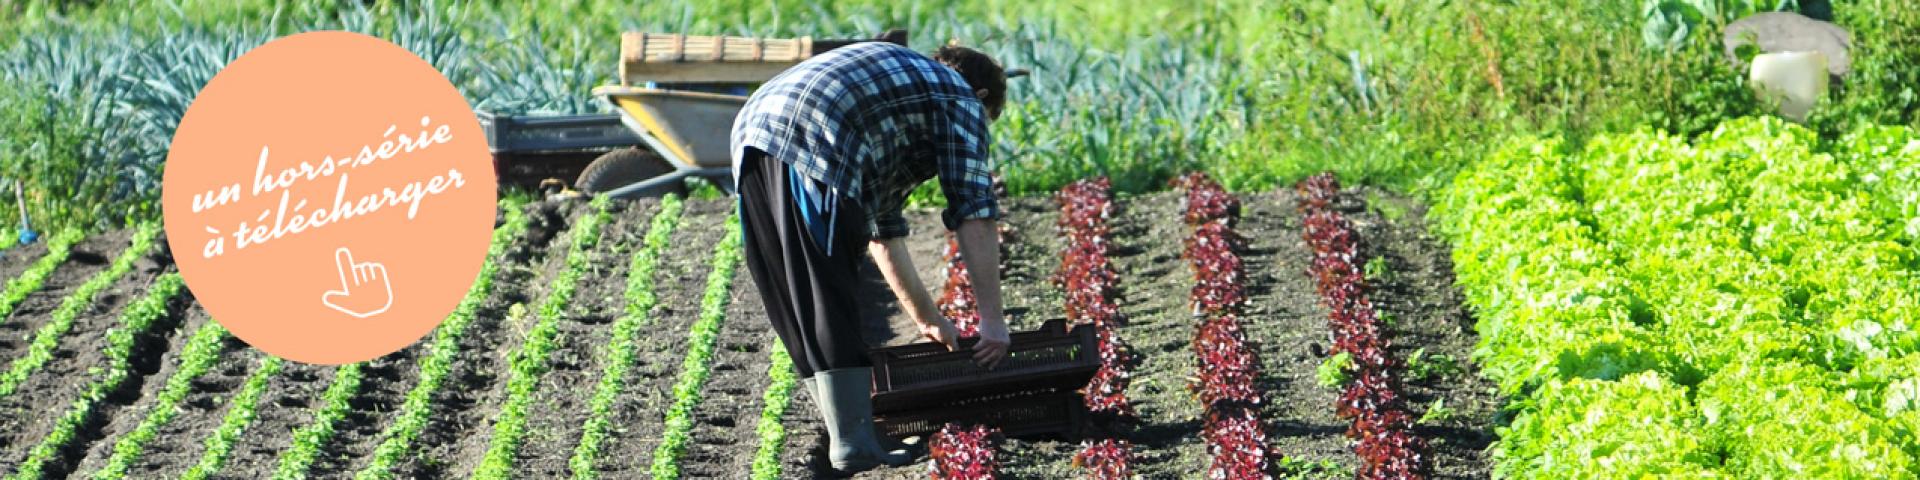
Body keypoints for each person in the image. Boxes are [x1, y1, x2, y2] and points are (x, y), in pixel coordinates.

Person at [730, 41, 1014, 475]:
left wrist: (928, 320)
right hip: (814, 127)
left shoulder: (897, 97)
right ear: (982, 100)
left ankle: (847, 432)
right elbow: (974, 211)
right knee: (828, 289)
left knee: (796, 294)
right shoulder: (959, 96)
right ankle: (854, 445)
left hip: (753, 128)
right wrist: (993, 321)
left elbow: (882, 229)